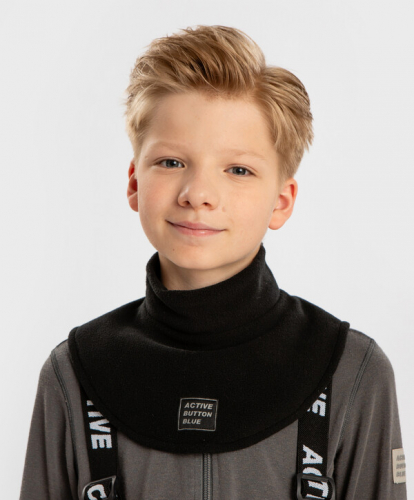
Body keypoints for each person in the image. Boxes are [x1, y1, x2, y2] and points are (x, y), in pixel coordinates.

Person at [20, 25, 406, 500]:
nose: (198, 194)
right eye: (171, 162)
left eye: (238, 169)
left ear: (282, 201)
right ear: (135, 182)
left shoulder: (353, 372)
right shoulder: (72, 375)